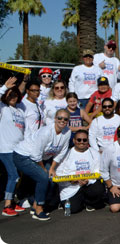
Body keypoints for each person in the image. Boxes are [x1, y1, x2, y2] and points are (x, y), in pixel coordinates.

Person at [13, 109, 71, 221]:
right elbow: (36, 154)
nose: (62, 121)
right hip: (22, 156)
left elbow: (62, 152)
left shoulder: (67, 132)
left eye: (65, 119)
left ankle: (35, 204)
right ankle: (38, 210)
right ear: (55, 119)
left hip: (42, 158)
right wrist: (44, 169)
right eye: (59, 118)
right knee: (43, 177)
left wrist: (52, 168)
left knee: (51, 178)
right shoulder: (46, 132)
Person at [53, 129, 104, 214]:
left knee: (99, 189)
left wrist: (88, 180)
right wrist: (71, 180)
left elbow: (98, 171)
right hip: (70, 186)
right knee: (72, 210)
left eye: (84, 140)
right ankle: (71, 201)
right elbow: (58, 173)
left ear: (88, 141)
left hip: (88, 182)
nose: (82, 142)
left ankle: (89, 203)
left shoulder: (94, 153)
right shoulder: (65, 154)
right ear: (74, 140)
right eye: (79, 140)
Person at [0, 78, 26, 216]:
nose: (13, 97)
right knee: (13, 176)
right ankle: (7, 205)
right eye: (10, 95)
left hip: (18, 150)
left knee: (18, 176)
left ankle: (13, 202)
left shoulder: (20, 111)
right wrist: (4, 87)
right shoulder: (3, 109)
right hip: (6, 149)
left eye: (15, 95)